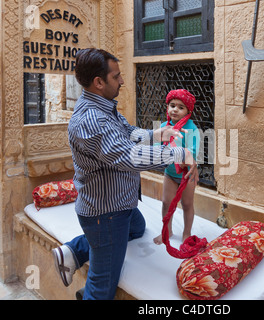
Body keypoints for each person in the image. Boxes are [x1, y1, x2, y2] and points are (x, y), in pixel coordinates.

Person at [52, 48, 198, 300]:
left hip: (122, 204)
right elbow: (128, 156)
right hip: (105, 214)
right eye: (116, 76)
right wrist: (178, 154)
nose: (122, 81)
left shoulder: (104, 107)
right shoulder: (92, 119)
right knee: (102, 286)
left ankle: (75, 251)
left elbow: (127, 131)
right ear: (98, 82)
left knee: (137, 227)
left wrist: (155, 135)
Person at [153, 89, 200, 245]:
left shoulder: (191, 128)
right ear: (167, 107)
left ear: (188, 111)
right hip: (170, 173)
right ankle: (166, 231)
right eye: (172, 105)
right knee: (166, 202)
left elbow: (191, 153)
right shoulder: (163, 126)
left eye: (181, 107)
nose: (175, 109)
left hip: (187, 175)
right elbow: (158, 148)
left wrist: (176, 154)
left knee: (187, 204)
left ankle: (186, 233)